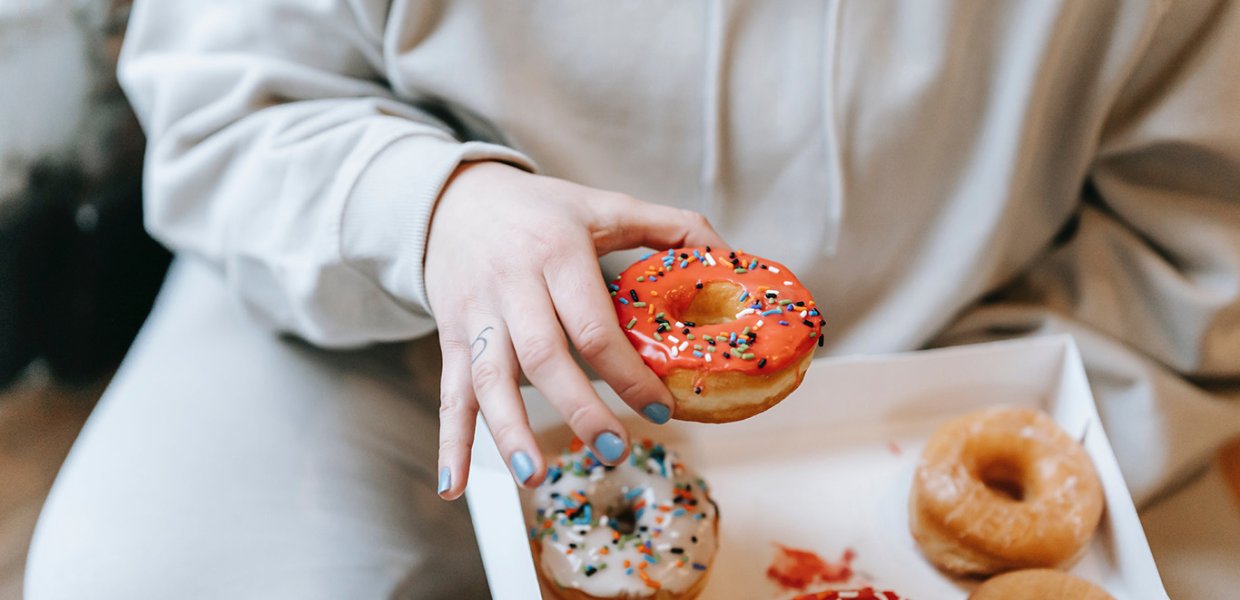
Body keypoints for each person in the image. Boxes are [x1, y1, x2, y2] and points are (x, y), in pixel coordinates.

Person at [25, 1, 1240, 598]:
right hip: (379, 319)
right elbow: (228, 93)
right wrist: (433, 206)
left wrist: (934, 397)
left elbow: (1199, 231)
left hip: (958, 350)